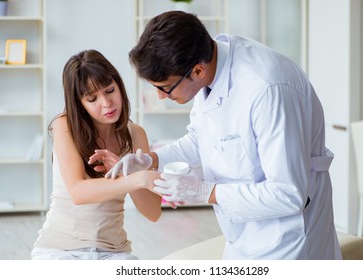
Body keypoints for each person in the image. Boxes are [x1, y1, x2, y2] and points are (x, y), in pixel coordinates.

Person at [108, 11, 342, 260]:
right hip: (242, 231)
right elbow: (201, 139)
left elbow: (287, 193)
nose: (160, 97)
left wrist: (205, 192)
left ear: (197, 71)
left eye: (164, 88)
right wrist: (152, 159)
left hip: (288, 238)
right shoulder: (210, 67)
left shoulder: (267, 89)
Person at [31, 49, 162, 260]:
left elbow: (153, 212)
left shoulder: (136, 134)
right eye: (92, 98)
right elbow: (78, 192)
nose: (107, 103)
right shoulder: (64, 126)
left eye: (110, 90)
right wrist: (137, 179)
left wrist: (127, 173)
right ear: (80, 105)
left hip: (114, 252)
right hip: (59, 251)